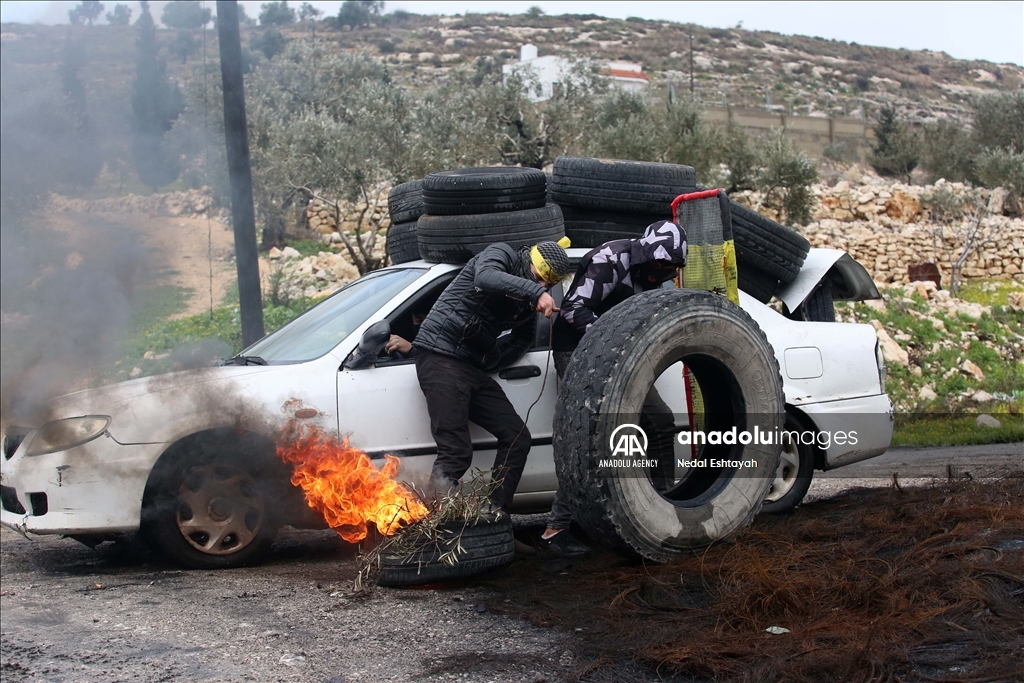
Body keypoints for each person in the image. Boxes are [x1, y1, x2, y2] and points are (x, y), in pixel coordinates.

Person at [542, 220, 688, 556]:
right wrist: (615, 340)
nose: (659, 275)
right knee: (593, 436)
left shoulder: (658, 273)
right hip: (578, 349)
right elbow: (574, 310)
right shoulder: (610, 260)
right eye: (656, 267)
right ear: (645, 256)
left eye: (668, 270)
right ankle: (556, 530)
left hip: (623, 353)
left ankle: (668, 505)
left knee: (660, 421)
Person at [412, 238, 573, 513]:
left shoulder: (526, 298)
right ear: (531, 264)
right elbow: (486, 278)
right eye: (540, 279)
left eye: (549, 284)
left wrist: (491, 360)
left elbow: (522, 341)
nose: (544, 287)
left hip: (472, 367)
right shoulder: (503, 254)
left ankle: (493, 516)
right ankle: (431, 529)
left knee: (517, 437)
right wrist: (534, 293)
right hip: (440, 357)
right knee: (456, 454)